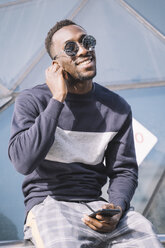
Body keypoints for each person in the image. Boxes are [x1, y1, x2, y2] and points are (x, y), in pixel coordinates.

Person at [8, 19, 162, 248]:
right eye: (71, 48)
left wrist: (117, 208)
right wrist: (57, 99)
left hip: (96, 206)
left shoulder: (117, 108)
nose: (84, 50)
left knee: (146, 235)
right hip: (51, 205)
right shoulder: (33, 101)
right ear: (56, 65)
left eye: (87, 42)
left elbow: (124, 170)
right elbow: (23, 162)